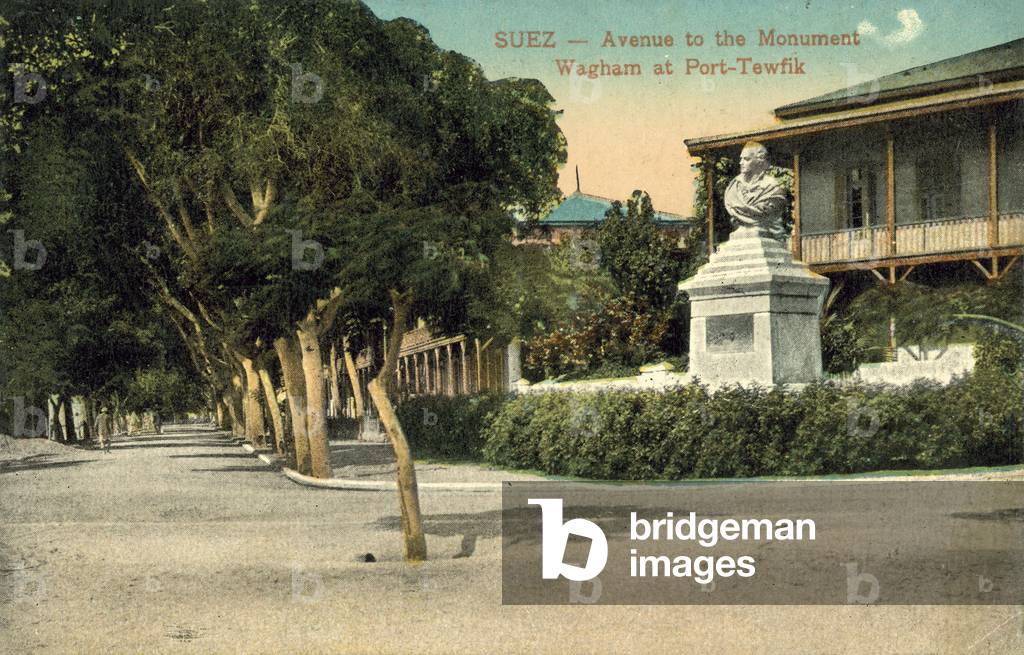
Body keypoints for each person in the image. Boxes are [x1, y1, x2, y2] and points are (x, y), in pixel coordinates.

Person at [723, 140, 788, 241]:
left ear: (759, 161)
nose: (741, 163)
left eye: (746, 159)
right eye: (741, 159)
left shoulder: (773, 187)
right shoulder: (733, 187)